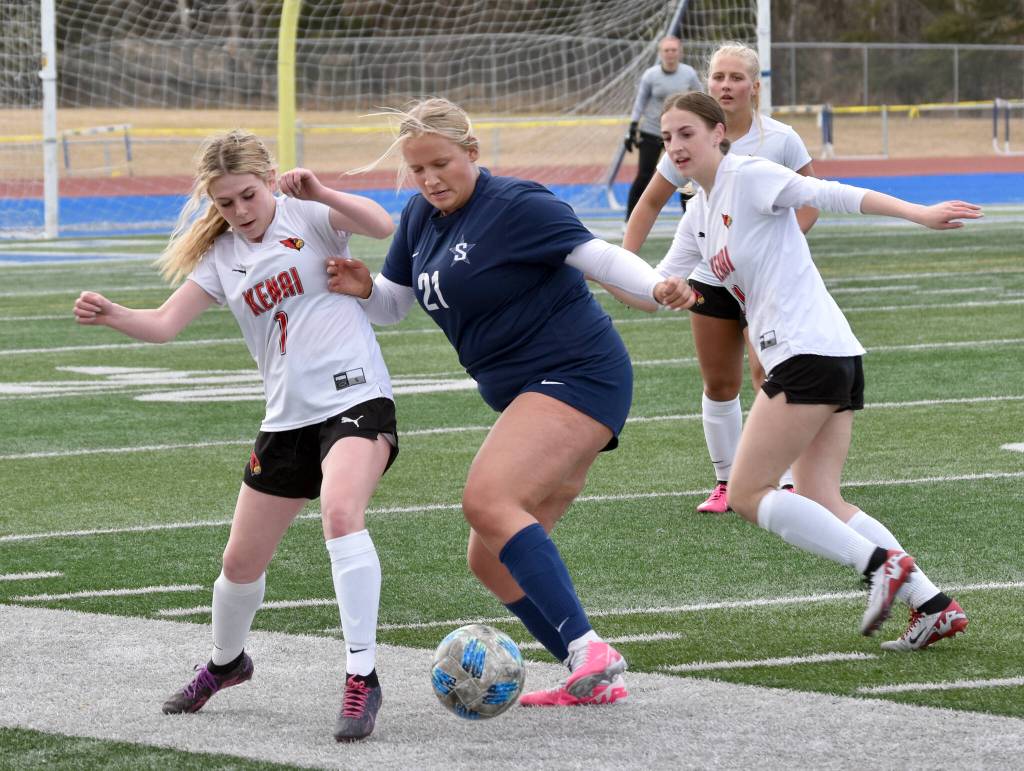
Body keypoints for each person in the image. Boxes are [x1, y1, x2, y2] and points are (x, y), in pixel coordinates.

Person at [325, 97, 690, 706]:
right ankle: (593, 678)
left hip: (577, 373)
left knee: (487, 500)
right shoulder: (418, 216)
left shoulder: (516, 205)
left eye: (441, 163)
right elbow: (393, 304)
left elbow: (594, 254)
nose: (429, 179)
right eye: (417, 169)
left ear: (472, 151)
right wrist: (365, 288)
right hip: (533, 388)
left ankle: (587, 649)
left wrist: (654, 283)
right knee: (491, 562)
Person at [72, 130, 398, 740]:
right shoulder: (221, 255)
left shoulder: (309, 212)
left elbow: (381, 223)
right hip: (285, 420)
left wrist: (322, 188)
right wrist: (114, 314)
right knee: (239, 563)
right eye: (226, 203)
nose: (241, 212)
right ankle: (227, 663)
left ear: (270, 179)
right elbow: (166, 326)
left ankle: (363, 675)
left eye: (248, 195)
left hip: (357, 398)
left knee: (340, 513)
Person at [630, 91, 974, 650]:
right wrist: (663, 289)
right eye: (667, 138)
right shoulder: (698, 212)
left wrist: (918, 213)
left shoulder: (749, 176)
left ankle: (880, 568)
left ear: (719, 134)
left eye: (686, 133)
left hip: (806, 349)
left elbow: (830, 194)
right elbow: (658, 286)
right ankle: (932, 604)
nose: (674, 146)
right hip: (825, 350)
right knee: (818, 496)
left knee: (746, 492)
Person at [622, 42, 820, 514]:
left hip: (763, 280)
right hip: (708, 279)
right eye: (718, 77)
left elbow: (810, 202)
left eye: (735, 78)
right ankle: (726, 482)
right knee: (719, 383)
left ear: (755, 86)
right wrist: (625, 262)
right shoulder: (686, 140)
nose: (725, 85)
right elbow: (649, 203)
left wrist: (776, 245)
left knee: (766, 372)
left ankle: (784, 480)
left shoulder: (781, 139)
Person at [623, 35, 702, 221]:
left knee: (686, 176)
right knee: (644, 176)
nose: (670, 54)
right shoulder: (651, 75)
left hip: (681, 134)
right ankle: (629, 220)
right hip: (652, 131)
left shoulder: (688, 73)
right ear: (661, 54)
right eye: (666, 50)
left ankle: (689, 220)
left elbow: (701, 97)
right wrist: (632, 128)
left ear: (680, 52)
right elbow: (640, 102)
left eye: (674, 50)